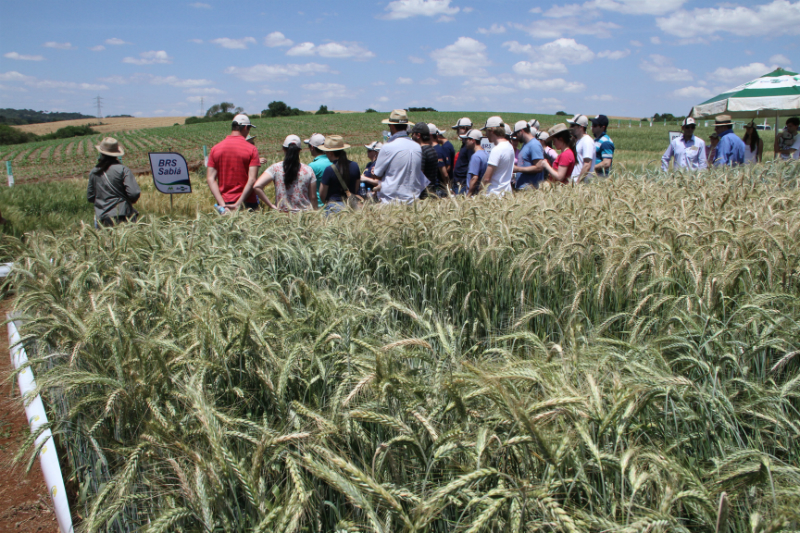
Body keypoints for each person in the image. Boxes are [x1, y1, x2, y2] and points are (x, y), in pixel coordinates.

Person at [207, 114, 260, 212]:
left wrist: (223, 205)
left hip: (225, 202)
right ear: (245, 127)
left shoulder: (215, 149)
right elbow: (252, 179)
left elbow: (210, 178)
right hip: (247, 202)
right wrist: (238, 203)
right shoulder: (252, 149)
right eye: (249, 129)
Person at [372, 109, 427, 203]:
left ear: (392, 126)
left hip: (391, 201)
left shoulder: (388, 147)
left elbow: (377, 174)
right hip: (412, 200)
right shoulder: (417, 147)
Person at [252, 134, 316, 213]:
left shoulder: (275, 168)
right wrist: (315, 214)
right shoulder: (308, 170)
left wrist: (271, 206)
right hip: (305, 215)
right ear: (299, 150)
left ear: (283, 149)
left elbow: (257, 186)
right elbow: (313, 197)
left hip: (283, 215)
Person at [87, 137, 141, 226]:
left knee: (107, 239)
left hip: (103, 217)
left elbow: (90, 196)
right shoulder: (123, 170)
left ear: (102, 153)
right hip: (123, 215)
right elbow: (134, 193)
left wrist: (103, 201)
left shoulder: (94, 172)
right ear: (116, 154)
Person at [318, 135, 360, 212]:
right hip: (351, 206)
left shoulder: (329, 170)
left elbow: (322, 194)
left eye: (326, 152)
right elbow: (356, 188)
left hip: (333, 207)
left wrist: (328, 204)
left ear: (330, 153)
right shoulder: (355, 166)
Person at [478, 116, 515, 195]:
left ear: (491, 129)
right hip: (506, 194)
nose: (485, 134)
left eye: (486, 131)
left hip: (493, 194)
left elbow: (487, 178)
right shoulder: (510, 147)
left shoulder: (497, 150)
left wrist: (480, 190)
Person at [512, 120, 545, 190]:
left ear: (521, 131)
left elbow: (539, 167)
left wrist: (518, 169)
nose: (516, 137)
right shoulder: (525, 144)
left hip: (530, 189)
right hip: (522, 187)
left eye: (517, 134)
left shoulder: (534, 145)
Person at [410, 122, 440, 196]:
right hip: (431, 191)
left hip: (423, 194)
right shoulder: (432, 150)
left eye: (413, 134)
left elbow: (419, 174)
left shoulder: (422, 151)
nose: (412, 136)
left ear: (418, 135)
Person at [304, 133, 331, 208]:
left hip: (318, 205)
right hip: (333, 204)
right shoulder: (334, 162)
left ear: (312, 147)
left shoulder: (312, 166)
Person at [567, 114, 595, 183]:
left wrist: (578, 182)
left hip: (582, 183)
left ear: (581, 127)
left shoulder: (587, 141)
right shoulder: (579, 140)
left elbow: (587, 164)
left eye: (573, 125)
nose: (570, 127)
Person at [461, 129, 488, 196]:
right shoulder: (486, 153)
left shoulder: (475, 156)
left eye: (466, 139)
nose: (465, 142)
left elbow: (474, 178)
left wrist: (468, 196)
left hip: (475, 194)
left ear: (473, 140)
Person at [451, 117, 473, 193]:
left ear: (465, 128)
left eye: (458, 129)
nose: (457, 132)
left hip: (462, 184)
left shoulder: (469, 146)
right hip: (460, 183)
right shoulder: (465, 145)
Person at [431, 124, 451, 193]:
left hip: (437, 188)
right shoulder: (440, 148)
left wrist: (448, 188)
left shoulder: (437, 151)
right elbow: (448, 166)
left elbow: (445, 173)